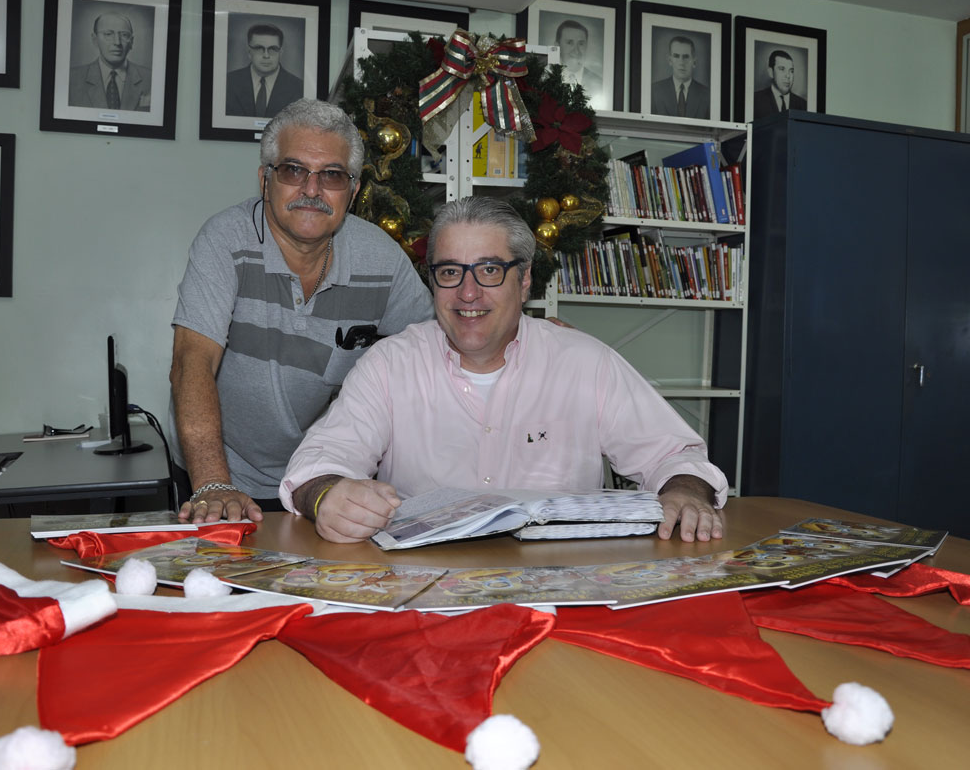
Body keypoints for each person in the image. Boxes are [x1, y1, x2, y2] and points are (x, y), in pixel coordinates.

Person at [280, 197, 729, 544]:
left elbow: (674, 456)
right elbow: (317, 466)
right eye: (450, 271)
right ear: (432, 280)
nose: (468, 293)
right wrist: (327, 496)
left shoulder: (585, 362)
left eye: (490, 270)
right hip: (427, 593)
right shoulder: (390, 365)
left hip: (561, 588)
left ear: (526, 278)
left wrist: (686, 492)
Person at [169, 99, 434, 525]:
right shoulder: (226, 240)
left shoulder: (382, 260)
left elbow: (440, 345)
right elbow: (191, 362)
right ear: (265, 180)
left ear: (354, 189)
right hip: (221, 471)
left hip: (321, 477)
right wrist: (214, 484)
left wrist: (525, 336)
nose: (312, 190)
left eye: (331, 175)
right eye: (294, 171)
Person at [68, 13, 152, 111]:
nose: (117, 42)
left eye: (124, 35)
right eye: (108, 34)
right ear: (95, 39)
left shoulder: (151, 79)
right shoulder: (71, 79)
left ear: (131, 42)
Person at [226, 24, 305, 119]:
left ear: (280, 53)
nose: (266, 55)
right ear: (249, 52)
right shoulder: (228, 82)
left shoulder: (299, 88)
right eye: (259, 48)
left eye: (273, 49)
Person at [649, 36, 710, 119]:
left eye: (686, 57)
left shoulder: (707, 95)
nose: (681, 62)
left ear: (694, 62)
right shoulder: (654, 91)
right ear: (670, 60)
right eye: (676, 56)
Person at [752, 49, 807, 118]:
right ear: (771, 72)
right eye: (782, 69)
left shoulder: (803, 105)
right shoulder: (755, 100)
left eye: (791, 71)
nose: (788, 76)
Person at [555, 20, 603, 95]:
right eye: (570, 43)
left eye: (581, 44)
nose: (576, 51)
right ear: (557, 46)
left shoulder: (600, 83)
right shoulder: (545, 78)